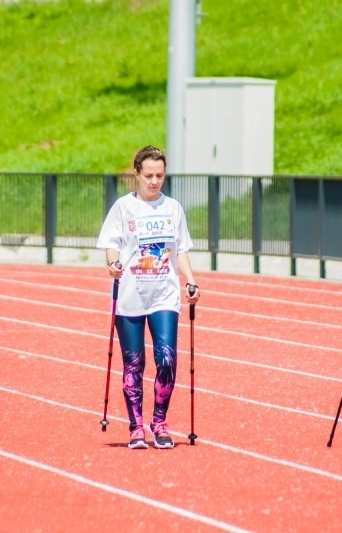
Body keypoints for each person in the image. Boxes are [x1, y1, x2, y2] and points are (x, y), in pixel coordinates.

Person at [96, 145, 200, 449]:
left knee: (166, 359)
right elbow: (111, 244)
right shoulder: (123, 207)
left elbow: (179, 250)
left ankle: (159, 422)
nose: (155, 181)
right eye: (149, 175)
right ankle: (136, 427)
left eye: (160, 175)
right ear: (137, 175)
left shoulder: (173, 208)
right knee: (134, 363)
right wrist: (113, 264)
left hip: (164, 295)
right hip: (130, 295)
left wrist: (191, 280)